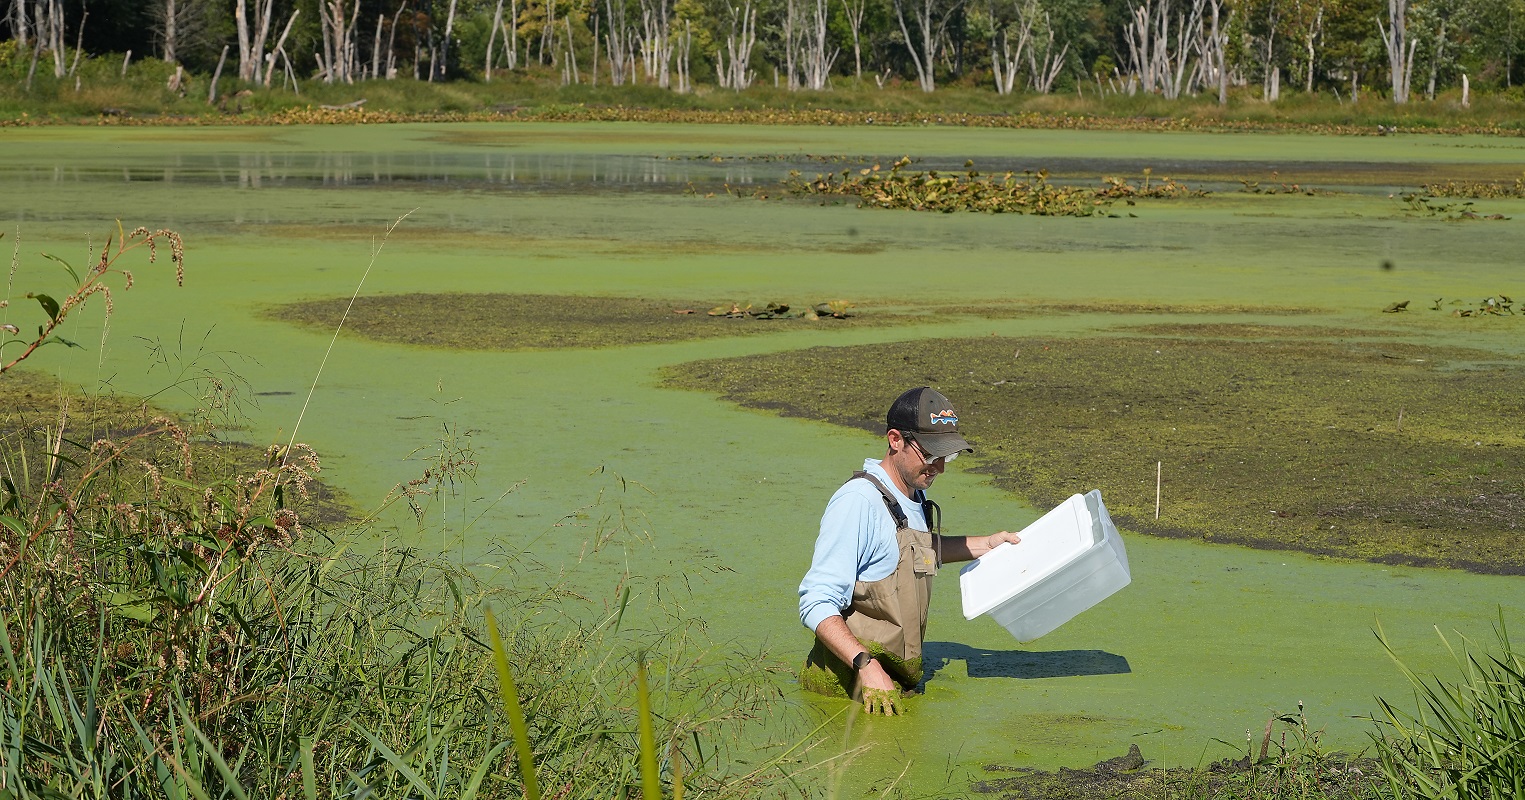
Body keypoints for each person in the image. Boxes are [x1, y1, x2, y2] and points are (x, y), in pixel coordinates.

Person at [798, 386, 1023, 715]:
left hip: (895, 685)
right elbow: (815, 601)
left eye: (948, 456)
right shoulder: (859, 502)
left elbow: (913, 553)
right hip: (848, 690)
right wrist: (867, 665)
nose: (940, 466)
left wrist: (986, 544)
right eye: (931, 454)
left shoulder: (912, 495)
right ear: (895, 440)